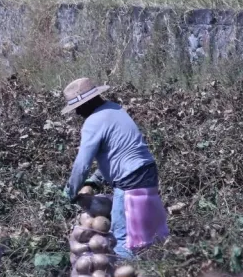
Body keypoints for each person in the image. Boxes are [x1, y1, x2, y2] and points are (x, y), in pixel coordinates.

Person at [62, 78, 169, 258]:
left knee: (124, 239)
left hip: (130, 181)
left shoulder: (93, 121)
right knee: (147, 233)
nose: (77, 113)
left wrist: (69, 193)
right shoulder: (114, 109)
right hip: (147, 172)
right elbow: (118, 155)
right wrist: (94, 181)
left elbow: (82, 165)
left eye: (78, 108)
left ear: (87, 102)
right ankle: (156, 266)